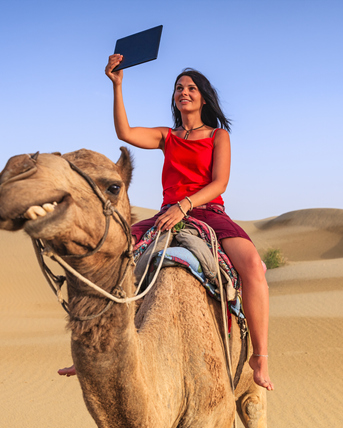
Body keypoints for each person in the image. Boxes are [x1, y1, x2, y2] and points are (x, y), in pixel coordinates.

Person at [59, 54, 274, 391]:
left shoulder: (218, 136)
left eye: (190, 88)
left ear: (203, 96)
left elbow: (219, 183)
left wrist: (185, 206)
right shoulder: (166, 136)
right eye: (178, 88)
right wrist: (117, 86)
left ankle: (259, 356)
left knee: (252, 267)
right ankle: (91, 348)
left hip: (207, 211)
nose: (183, 92)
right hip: (167, 214)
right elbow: (125, 132)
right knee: (110, 259)